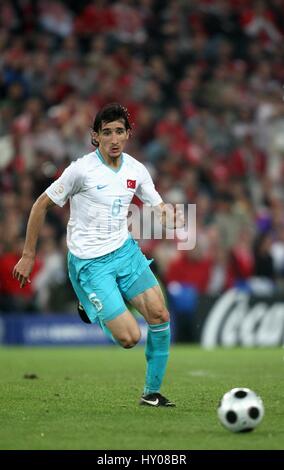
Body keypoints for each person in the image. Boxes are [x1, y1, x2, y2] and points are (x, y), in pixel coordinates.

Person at [13, 103, 181, 407]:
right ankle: (90, 305)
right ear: (95, 136)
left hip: (125, 252)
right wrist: (28, 255)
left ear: (128, 134)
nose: (113, 139)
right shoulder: (81, 170)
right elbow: (40, 205)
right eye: (107, 133)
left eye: (119, 131)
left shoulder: (136, 169)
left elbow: (157, 205)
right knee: (129, 338)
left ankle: (152, 393)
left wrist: (169, 216)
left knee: (160, 314)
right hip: (90, 264)